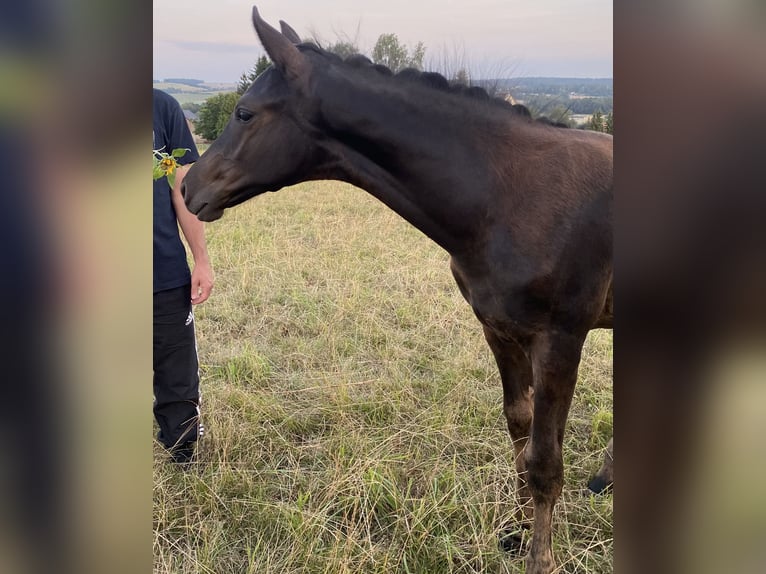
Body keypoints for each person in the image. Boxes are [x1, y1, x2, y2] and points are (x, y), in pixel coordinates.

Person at [153, 88, 214, 463]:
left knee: (177, 370)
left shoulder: (162, 108)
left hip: (163, 269)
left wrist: (201, 260)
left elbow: (183, 191)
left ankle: (182, 446)